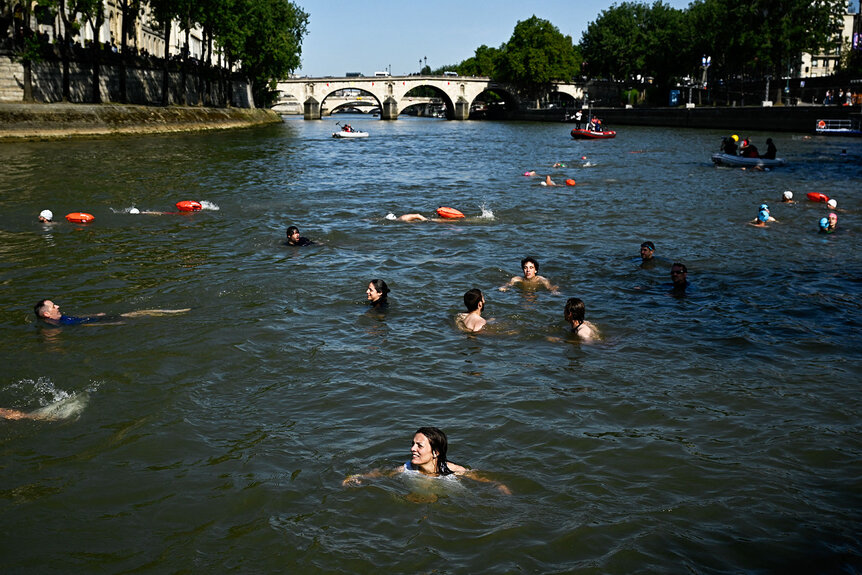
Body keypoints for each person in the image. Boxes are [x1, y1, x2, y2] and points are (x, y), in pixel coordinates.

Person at [342, 426, 510, 494]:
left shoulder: (453, 470)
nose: (412, 449)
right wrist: (357, 477)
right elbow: (381, 473)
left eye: (419, 446)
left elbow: (480, 478)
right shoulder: (406, 469)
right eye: (412, 444)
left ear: (436, 452)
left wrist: (499, 485)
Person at [34, 299, 190, 326]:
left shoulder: (61, 319)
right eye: (54, 306)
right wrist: (111, 323)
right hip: (103, 323)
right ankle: (177, 312)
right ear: (47, 314)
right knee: (140, 313)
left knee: (140, 312)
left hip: (99, 320)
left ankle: (175, 311)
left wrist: (96, 315)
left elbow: (77, 319)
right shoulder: (54, 327)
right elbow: (83, 326)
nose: (58, 307)